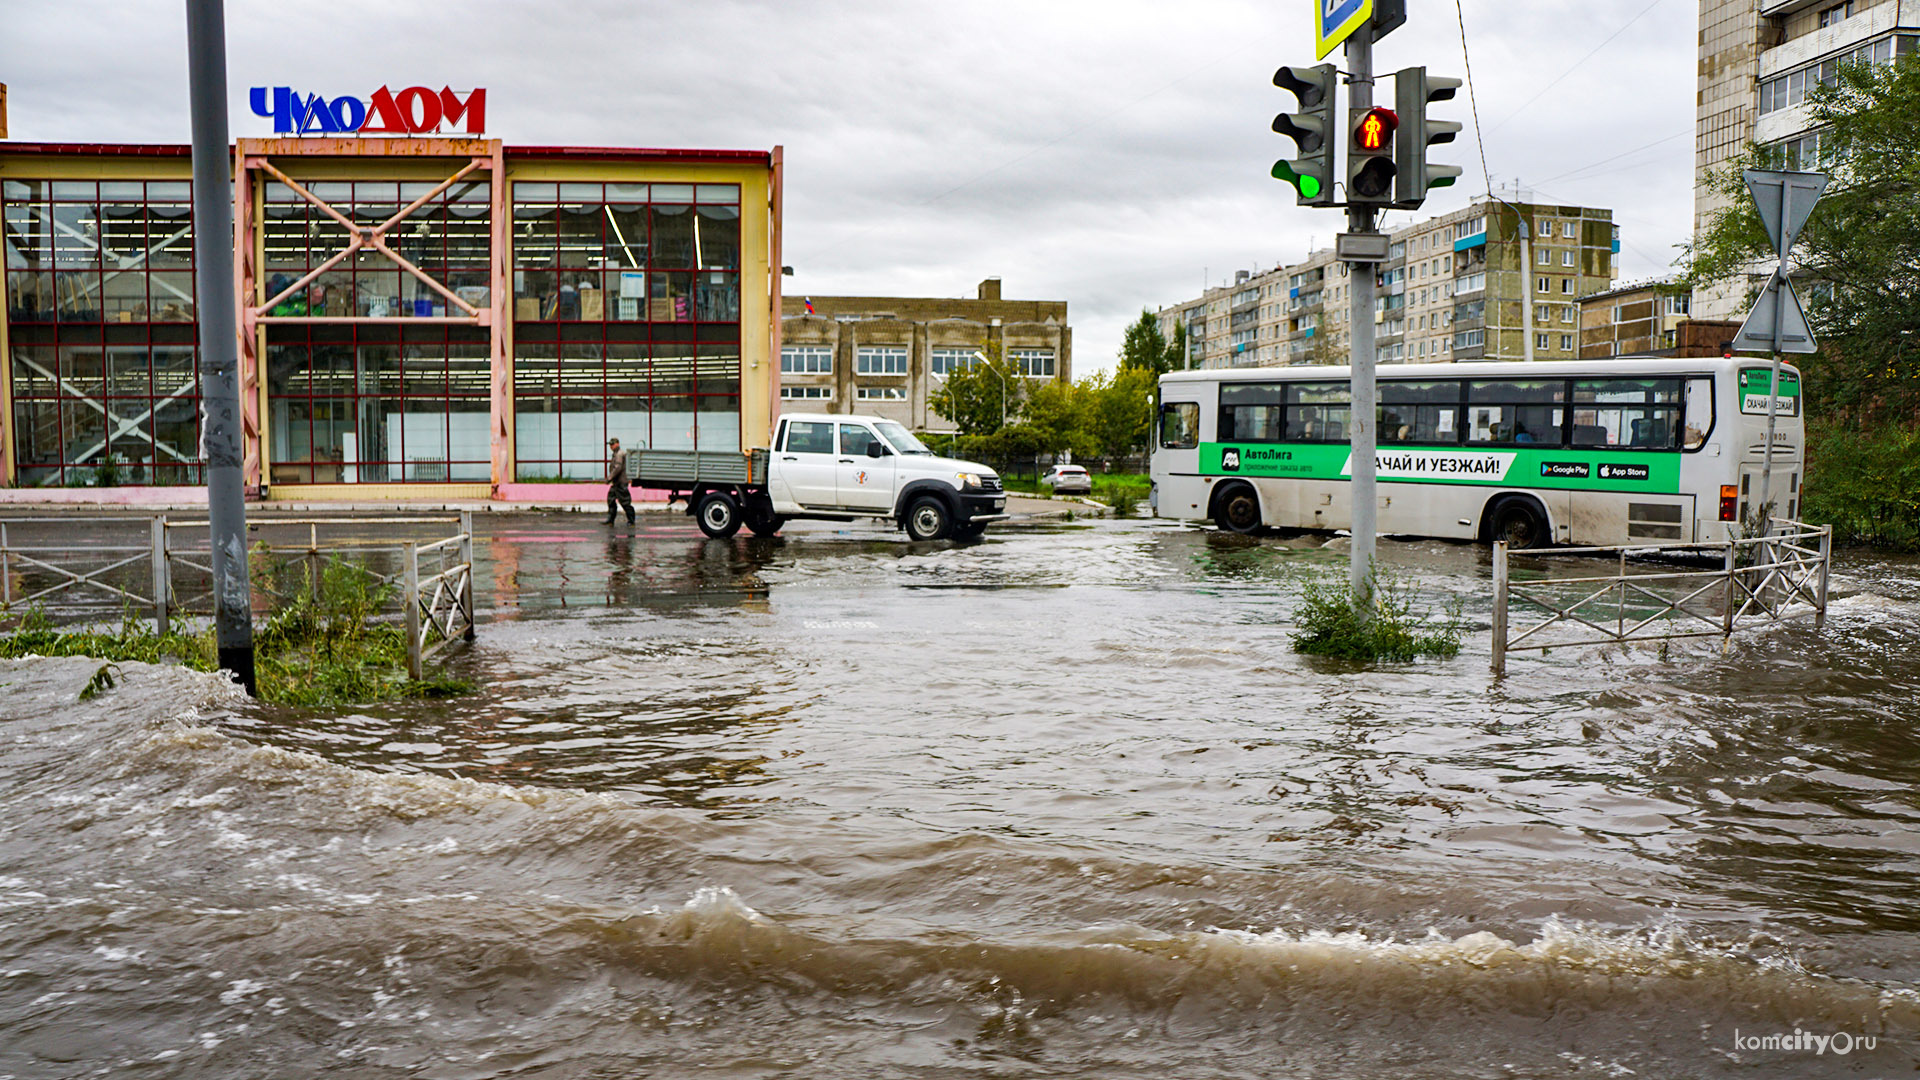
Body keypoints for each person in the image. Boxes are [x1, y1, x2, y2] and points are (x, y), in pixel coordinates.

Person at [602, 437, 633, 525]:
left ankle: (631, 520)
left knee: (625, 502)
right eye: (610, 445)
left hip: (621, 482)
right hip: (616, 482)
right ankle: (610, 520)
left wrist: (609, 478)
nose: (611, 446)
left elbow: (617, 468)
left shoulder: (619, 454)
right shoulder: (616, 453)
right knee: (611, 500)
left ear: (617, 444)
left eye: (613, 444)